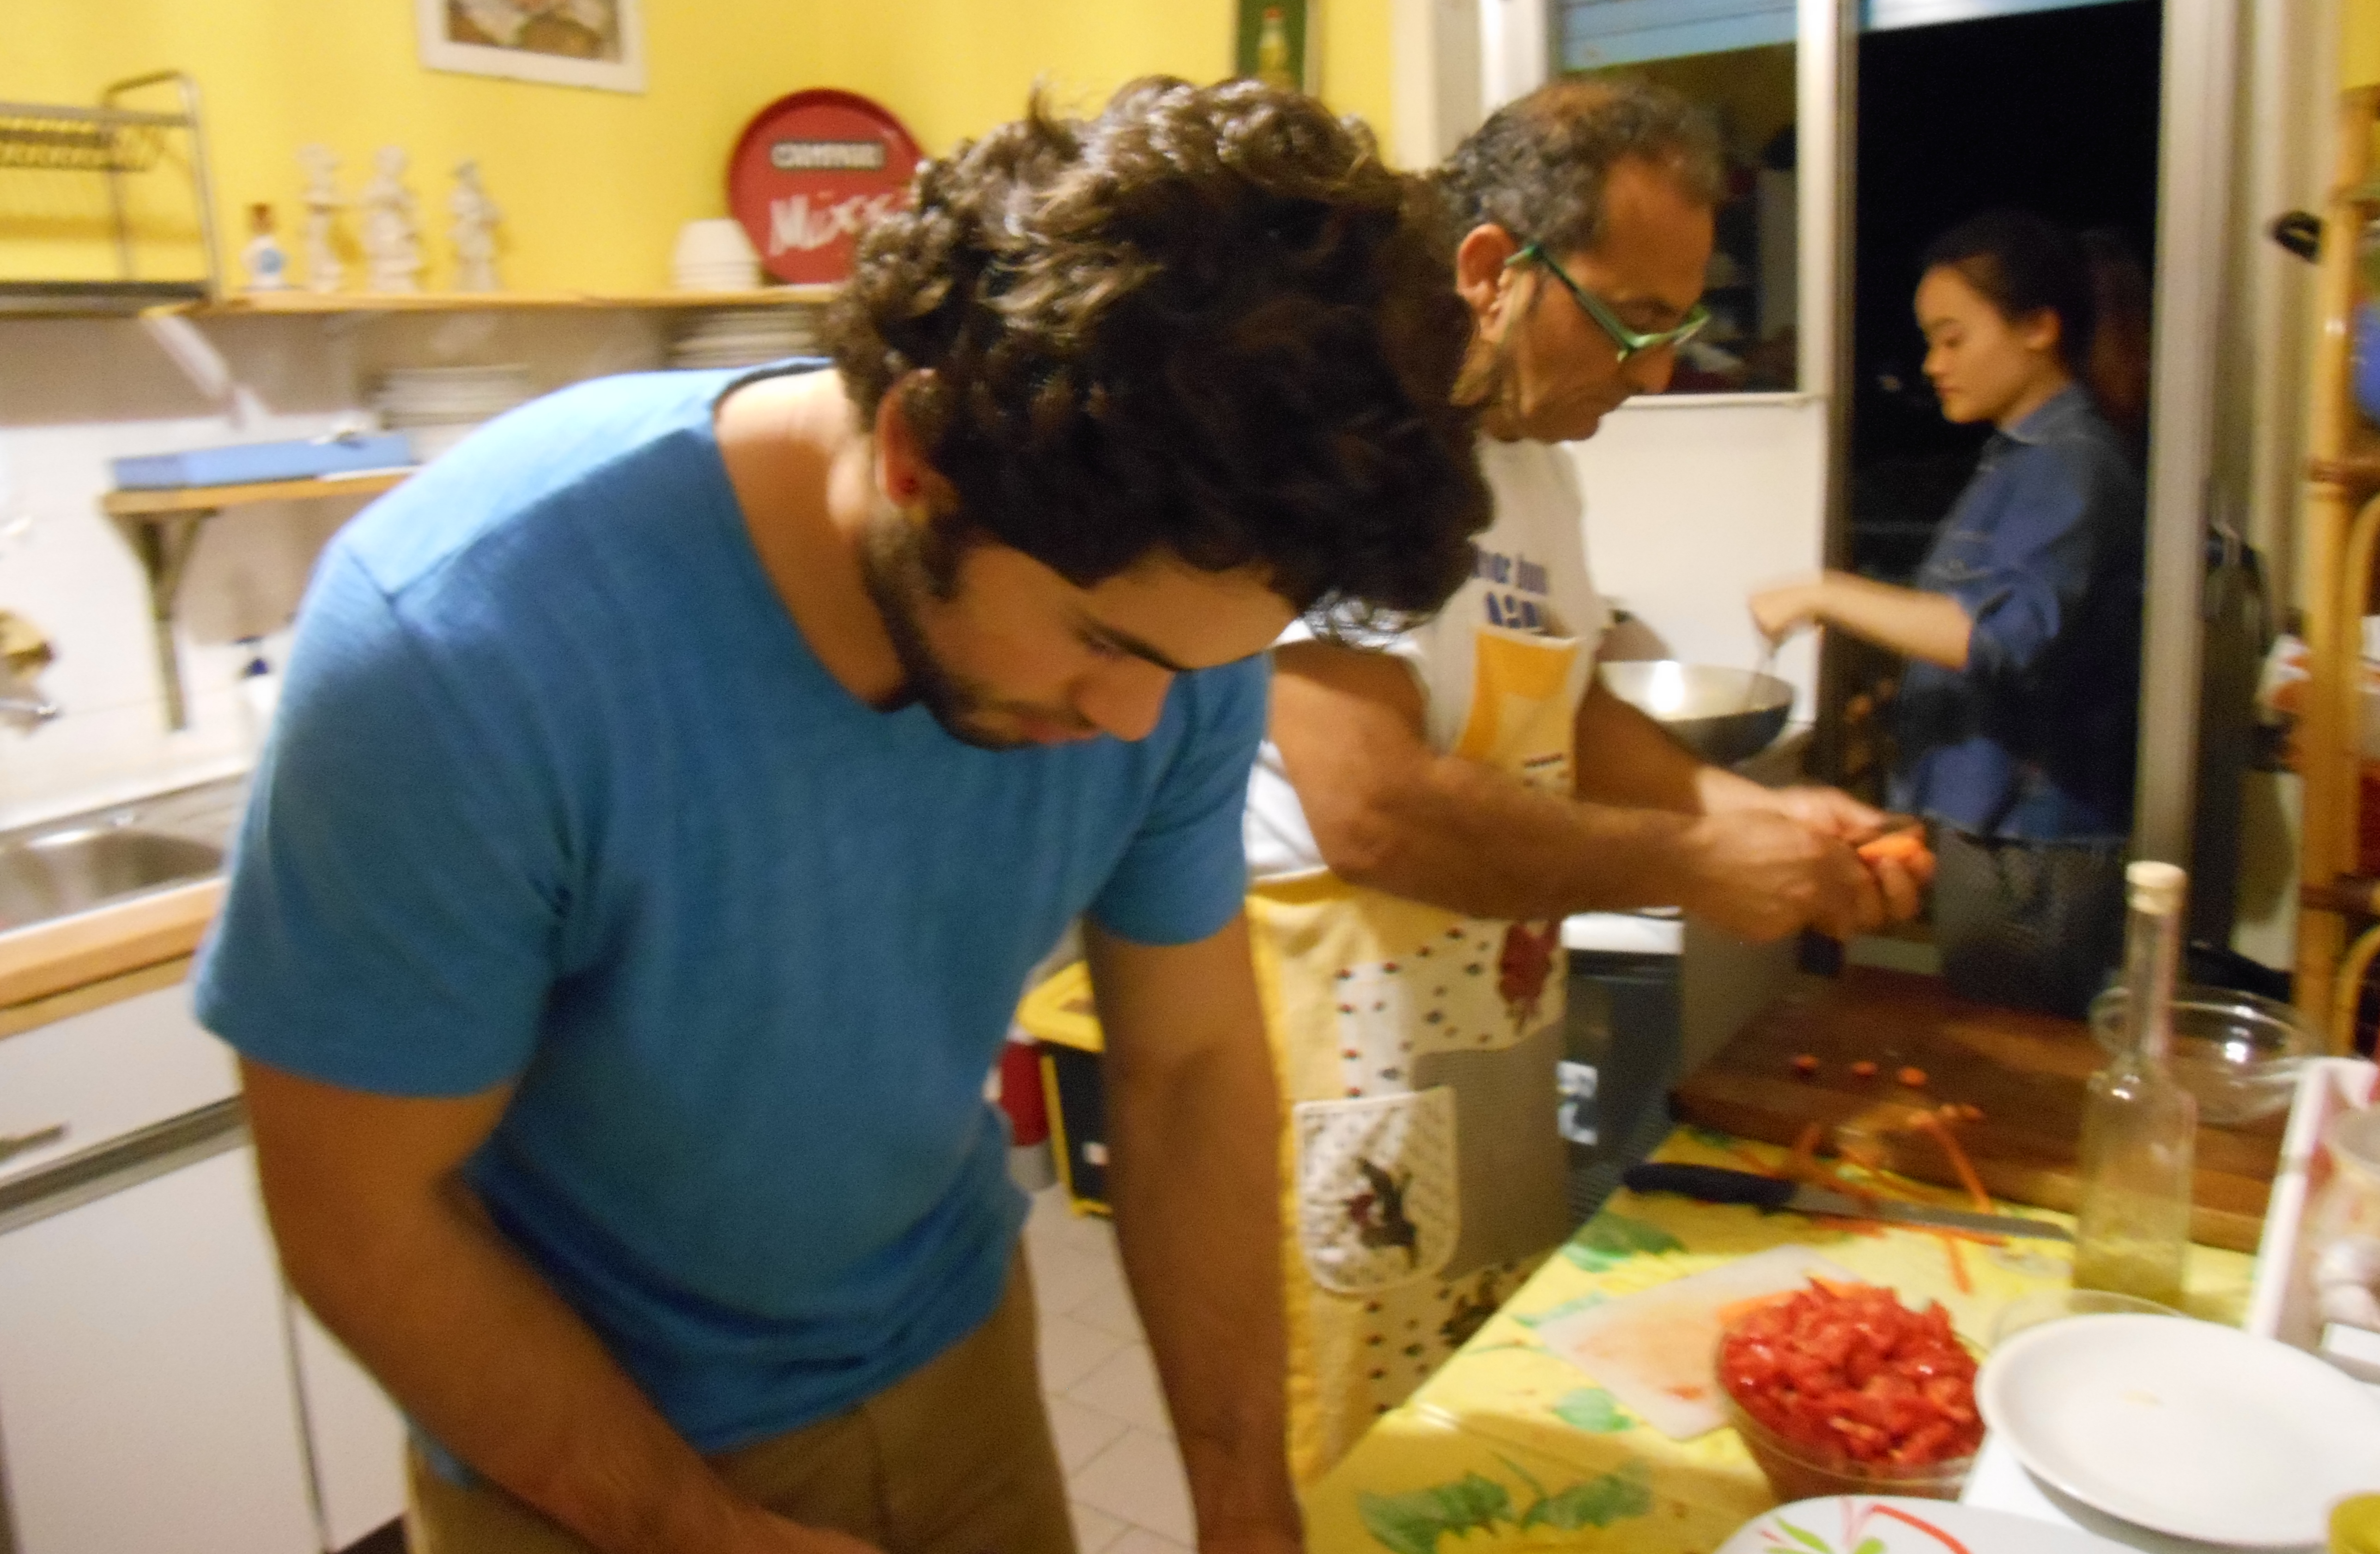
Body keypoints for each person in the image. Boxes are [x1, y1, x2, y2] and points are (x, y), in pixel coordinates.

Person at [194, 78, 1500, 1554]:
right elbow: (358, 1214)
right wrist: (697, 1531)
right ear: (916, 460)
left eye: (1192, 669)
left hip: (956, 1361)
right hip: (579, 1448)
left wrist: (1245, 1499)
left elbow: (1187, 1069)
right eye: (1098, 645)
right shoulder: (459, 645)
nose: (1137, 721)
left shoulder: (1181, 625)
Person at [1240, 77, 1921, 1483]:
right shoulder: (1355, 443)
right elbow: (1368, 804)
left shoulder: (1536, 459)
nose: (1655, 375)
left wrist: (1754, 815)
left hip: (1486, 1015)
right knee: (1359, 1452)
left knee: (1481, 1410)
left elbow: (1572, 702)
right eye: (1630, 325)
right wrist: (1687, 866)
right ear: (1491, 269)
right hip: (1345, 1032)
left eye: (1679, 331)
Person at [1750, 209, 2144, 1017]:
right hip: (1993, 829)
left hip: (2032, 845)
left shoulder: (2071, 465)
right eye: (1930, 341)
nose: (1934, 364)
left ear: (2039, 328)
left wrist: (1826, 591)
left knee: (2014, 1056)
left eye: (1953, 339)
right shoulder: (2017, 458)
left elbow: (2001, 638)